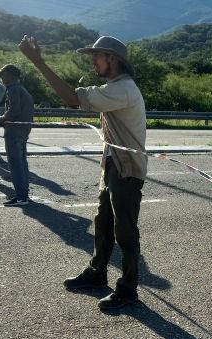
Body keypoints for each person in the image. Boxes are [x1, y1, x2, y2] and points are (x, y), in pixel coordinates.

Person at [19, 34, 148, 311]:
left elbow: (69, 98)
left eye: (96, 57)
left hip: (127, 169)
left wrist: (37, 61)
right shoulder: (113, 87)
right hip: (115, 163)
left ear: (111, 59)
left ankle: (128, 290)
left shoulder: (122, 90)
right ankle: (97, 272)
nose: (93, 62)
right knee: (103, 222)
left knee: (125, 231)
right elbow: (74, 100)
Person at [0, 64, 33, 207]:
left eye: (3, 75)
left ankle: (21, 197)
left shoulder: (13, 89)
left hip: (14, 131)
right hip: (23, 130)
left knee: (15, 164)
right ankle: (23, 193)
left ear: (11, 75)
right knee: (22, 163)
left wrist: (1, 119)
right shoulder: (22, 89)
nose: (1, 78)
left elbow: (14, 110)